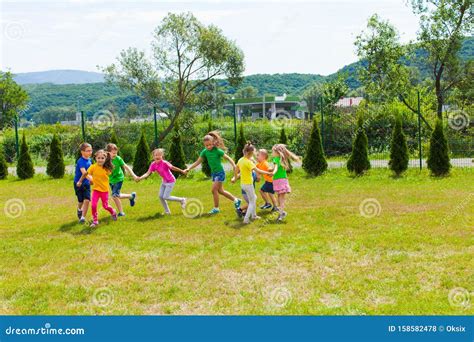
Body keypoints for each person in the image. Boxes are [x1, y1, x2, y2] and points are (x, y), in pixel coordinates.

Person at [185, 131, 241, 214]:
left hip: (220, 173)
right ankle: (236, 200)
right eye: (206, 145)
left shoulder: (217, 151)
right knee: (221, 191)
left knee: (214, 190)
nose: (208, 147)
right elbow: (198, 162)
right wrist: (189, 168)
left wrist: (234, 165)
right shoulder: (204, 152)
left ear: (213, 143)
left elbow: (228, 158)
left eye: (210, 144)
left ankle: (216, 208)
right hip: (214, 173)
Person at [136, 149, 187, 215]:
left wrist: (182, 171)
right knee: (160, 196)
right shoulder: (153, 164)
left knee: (165, 196)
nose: (157, 156)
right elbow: (148, 173)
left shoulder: (165, 163)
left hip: (170, 181)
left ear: (162, 156)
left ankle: (182, 200)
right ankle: (167, 211)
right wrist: (140, 178)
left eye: (159, 155)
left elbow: (172, 167)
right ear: (153, 156)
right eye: (156, 155)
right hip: (164, 181)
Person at [231, 142, 270, 224]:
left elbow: (236, 169)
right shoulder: (249, 162)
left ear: (244, 151)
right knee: (252, 202)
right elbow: (258, 171)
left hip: (243, 184)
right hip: (249, 185)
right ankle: (246, 219)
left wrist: (235, 178)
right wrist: (268, 173)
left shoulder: (240, 160)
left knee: (253, 198)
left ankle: (254, 216)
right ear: (251, 153)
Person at [77, 150, 117, 228]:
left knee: (105, 206)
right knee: (93, 205)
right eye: (98, 158)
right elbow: (86, 174)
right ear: (95, 158)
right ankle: (95, 221)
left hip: (104, 191)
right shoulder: (93, 167)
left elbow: (109, 176)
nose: (100, 160)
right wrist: (80, 181)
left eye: (102, 158)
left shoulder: (107, 168)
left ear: (105, 159)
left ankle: (113, 211)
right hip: (96, 190)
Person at [105, 143, 138, 217]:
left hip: (119, 178)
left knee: (114, 196)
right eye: (113, 153)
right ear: (108, 152)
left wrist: (133, 175)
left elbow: (126, 166)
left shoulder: (118, 158)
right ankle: (131, 196)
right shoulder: (105, 159)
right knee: (117, 195)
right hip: (111, 180)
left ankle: (121, 213)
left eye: (116, 153)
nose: (115, 154)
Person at [270, 144, 300, 221]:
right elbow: (276, 168)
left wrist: (273, 172)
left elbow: (276, 168)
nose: (272, 153)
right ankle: (282, 213)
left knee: (281, 198)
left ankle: (281, 214)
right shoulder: (281, 159)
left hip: (278, 180)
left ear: (277, 152)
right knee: (280, 198)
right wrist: (271, 170)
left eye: (272, 151)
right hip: (281, 180)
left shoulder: (276, 159)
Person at [74, 142, 93, 223]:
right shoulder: (80, 161)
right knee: (80, 201)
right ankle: (79, 209)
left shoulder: (90, 160)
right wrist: (92, 180)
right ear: (82, 152)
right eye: (88, 151)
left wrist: (92, 179)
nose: (90, 152)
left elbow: (91, 172)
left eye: (91, 150)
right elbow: (84, 172)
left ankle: (83, 217)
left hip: (86, 184)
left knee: (87, 200)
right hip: (78, 183)